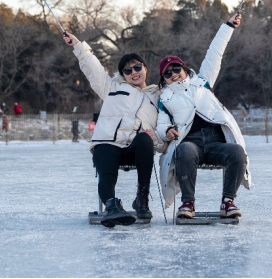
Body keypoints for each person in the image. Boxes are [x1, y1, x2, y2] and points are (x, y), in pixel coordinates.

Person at [64, 31, 165, 228]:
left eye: (137, 67)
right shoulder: (112, 88)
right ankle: (111, 206)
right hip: (108, 143)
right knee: (106, 160)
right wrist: (78, 45)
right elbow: (92, 68)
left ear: (145, 68)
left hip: (135, 150)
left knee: (145, 139)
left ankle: (141, 199)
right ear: (122, 75)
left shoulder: (158, 95)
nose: (134, 73)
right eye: (127, 71)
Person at [156, 12, 251, 220]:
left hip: (216, 141)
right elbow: (161, 124)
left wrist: (227, 26)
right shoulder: (165, 98)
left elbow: (215, 53)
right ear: (164, 78)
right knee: (185, 151)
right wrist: (167, 130)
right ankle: (187, 203)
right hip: (192, 142)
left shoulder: (202, 81)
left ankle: (228, 202)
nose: (173, 74)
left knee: (237, 152)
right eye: (167, 73)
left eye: (176, 69)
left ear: (183, 68)